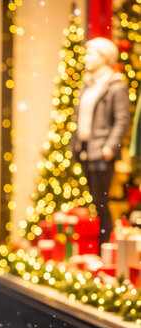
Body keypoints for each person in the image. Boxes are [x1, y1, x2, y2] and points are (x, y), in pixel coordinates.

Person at [71, 37, 130, 245]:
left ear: (104, 58)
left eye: (91, 54)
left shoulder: (115, 85)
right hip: (85, 150)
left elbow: (122, 119)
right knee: (92, 203)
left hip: (102, 152)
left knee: (101, 203)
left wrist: (110, 146)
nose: (86, 58)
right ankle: (94, 245)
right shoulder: (87, 85)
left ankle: (104, 247)